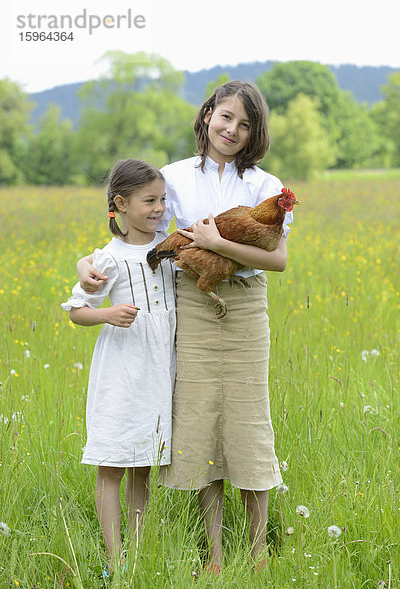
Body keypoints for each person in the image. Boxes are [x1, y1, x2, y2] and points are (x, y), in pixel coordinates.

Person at [77, 81, 293, 575]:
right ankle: (214, 554)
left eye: (244, 124)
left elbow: (277, 260)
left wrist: (219, 242)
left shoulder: (265, 185)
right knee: (200, 421)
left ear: (255, 133)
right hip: (193, 302)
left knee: (248, 419)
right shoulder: (173, 178)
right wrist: (86, 261)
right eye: (225, 117)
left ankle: (258, 551)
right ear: (207, 116)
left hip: (243, 307)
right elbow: (136, 228)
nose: (231, 130)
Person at [61, 159, 176, 576]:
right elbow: (76, 310)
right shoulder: (107, 260)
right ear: (121, 204)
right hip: (122, 373)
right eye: (149, 201)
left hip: (158, 371)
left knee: (142, 464)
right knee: (113, 464)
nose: (159, 208)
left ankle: (139, 552)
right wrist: (107, 314)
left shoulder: (169, 245)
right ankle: (114, 557)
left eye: (162, 199)